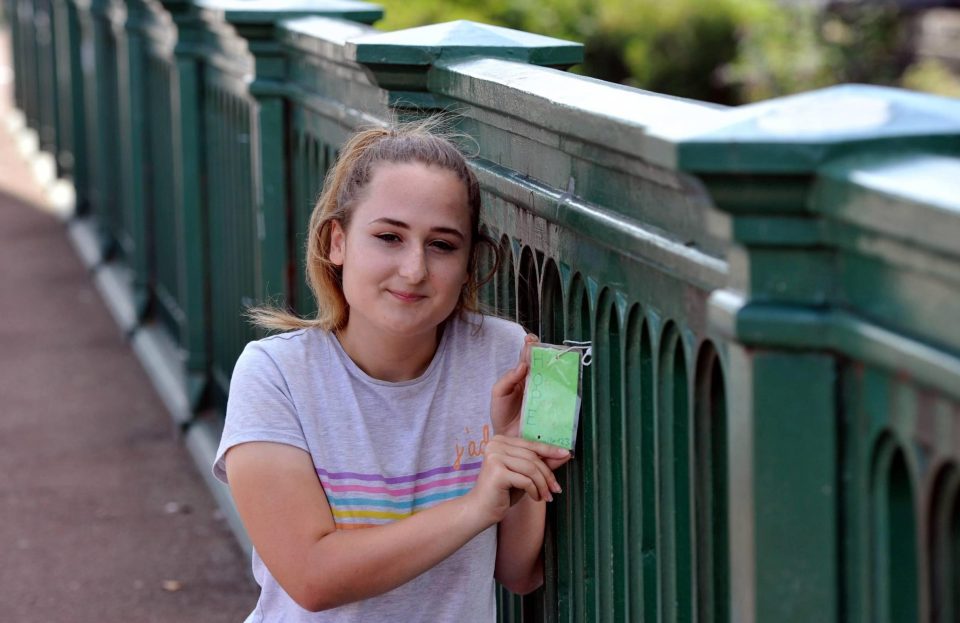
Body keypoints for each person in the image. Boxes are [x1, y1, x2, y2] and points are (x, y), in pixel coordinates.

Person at [213, 121, 571, 622]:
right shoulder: (275, 374)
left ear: (469, 264)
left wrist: (519, 448)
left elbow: (519, 571)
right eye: (388, 237)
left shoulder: (504, 355)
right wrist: (474, 507)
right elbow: (312, 578)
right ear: (337, 242)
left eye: (442, 245)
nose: (414, 269)